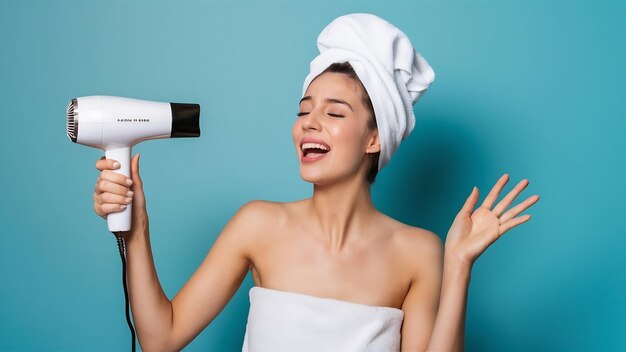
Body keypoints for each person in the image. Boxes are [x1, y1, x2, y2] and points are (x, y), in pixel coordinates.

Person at [91, 13, 540, 352]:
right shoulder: (258, 224)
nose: (310, 124)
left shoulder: (419, 252)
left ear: (374, 136)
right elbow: (160, 337)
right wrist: (135, 230)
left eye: (334, 113)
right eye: (304, 110)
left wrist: (458, 264)